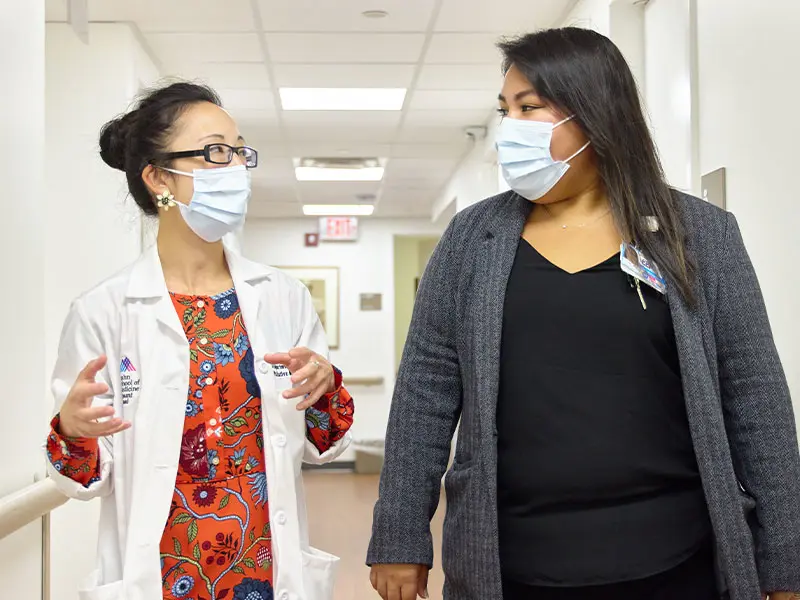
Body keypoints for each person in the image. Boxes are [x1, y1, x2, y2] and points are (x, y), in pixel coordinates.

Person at [367, 28, 800, 600]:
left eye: (530, 108)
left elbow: (755, 399)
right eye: (505, 110)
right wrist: (400, 535)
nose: (510, 129)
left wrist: (784, 562)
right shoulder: (474, 237)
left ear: (595, 114)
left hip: (675, 556)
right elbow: (425, 393)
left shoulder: (699, 234)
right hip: (512, 560)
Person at [44, 82, 355, 600]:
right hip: (159, 577)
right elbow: (84, 480)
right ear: (158, 177)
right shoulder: (103, 310)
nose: (234, 167)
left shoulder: (282, 297)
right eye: (215, 152)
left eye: (238, 152)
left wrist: (325, 388)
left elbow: (322, 447)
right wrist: (74, 431)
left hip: (263, 571)